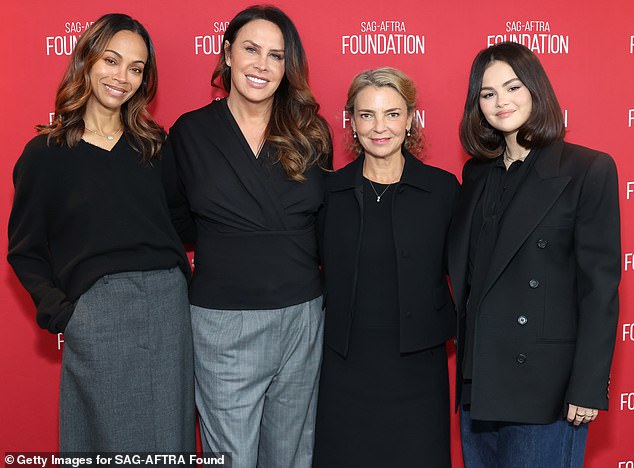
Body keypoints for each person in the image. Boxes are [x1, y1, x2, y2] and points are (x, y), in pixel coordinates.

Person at [7, 14, 195, 452]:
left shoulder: (155, 146)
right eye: (112, 60)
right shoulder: (46, 154)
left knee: (171, 442)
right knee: (105, 447)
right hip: (98, 313)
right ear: (87, 61)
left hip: (169, 310)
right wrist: (67, 316)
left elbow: (182, 223)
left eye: (136, 67)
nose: (122, 77)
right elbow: (26, 251)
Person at [163, 5, 332, 468]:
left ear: (287, 66)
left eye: (275, 55)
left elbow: (326, 223)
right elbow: (176, 218)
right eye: (251, 50)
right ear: (227, 54)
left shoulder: (310, 132)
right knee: (230, 457)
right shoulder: (190, 133)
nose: (262, 64)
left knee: (292, 455)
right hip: (222, 321)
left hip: (302, 317)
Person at [448, 42, 620, 467]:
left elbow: (599, 288)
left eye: (512, 87)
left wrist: (588, 385)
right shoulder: (475, 173)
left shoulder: (587, 169)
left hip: (545, 387)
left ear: (536, 90)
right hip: (479, 383)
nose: (500, 101)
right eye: (488, 94)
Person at [313, 67, 459, 468]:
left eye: (392, 114)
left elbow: (468, 278)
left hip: (418, 371)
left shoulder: (443, 190)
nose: (380, 127)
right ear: (352, 121)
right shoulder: (329, 192)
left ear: (410, 118)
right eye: (367, 115)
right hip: (344, 370)